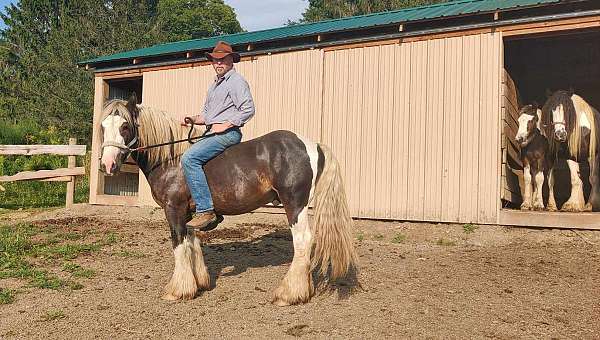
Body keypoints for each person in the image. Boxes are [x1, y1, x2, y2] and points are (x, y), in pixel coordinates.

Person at [181, 41, 255, 230]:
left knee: (189, 159)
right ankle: (217, 207)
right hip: (212, 132)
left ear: (231, 60)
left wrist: (226, 125)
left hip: (228, 133)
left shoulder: (236, 81)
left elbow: (248, 109)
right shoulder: (214, 85)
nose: (218, 63)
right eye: (215, 60)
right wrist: (192, 119)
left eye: (222, 60)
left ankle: (206, 210)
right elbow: (207, 116)